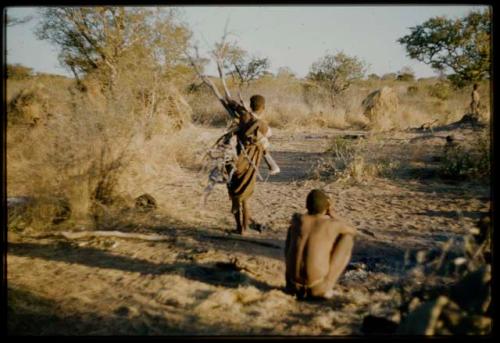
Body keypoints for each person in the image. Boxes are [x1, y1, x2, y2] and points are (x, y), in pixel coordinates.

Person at [285, 189, 357, 299]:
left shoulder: (296, 219)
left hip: (292, 286)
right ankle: (327, 285)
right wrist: (333, 213)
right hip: (317, 288)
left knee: (292, 231)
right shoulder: (332, 224)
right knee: (347, 238)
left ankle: (289, 279)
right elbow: (353, 231)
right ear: (326, 207)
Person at [225, 95, 271, 235]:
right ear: (263, 108)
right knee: (244, 199)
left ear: (250, 106)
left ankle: (239, 227)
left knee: (235, 195)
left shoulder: (244, 117)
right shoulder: (263, 125)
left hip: (237, 161)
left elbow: (237, 108)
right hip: (249, 164)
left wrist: (232, 102)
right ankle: (244, 229)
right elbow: (265, 139)